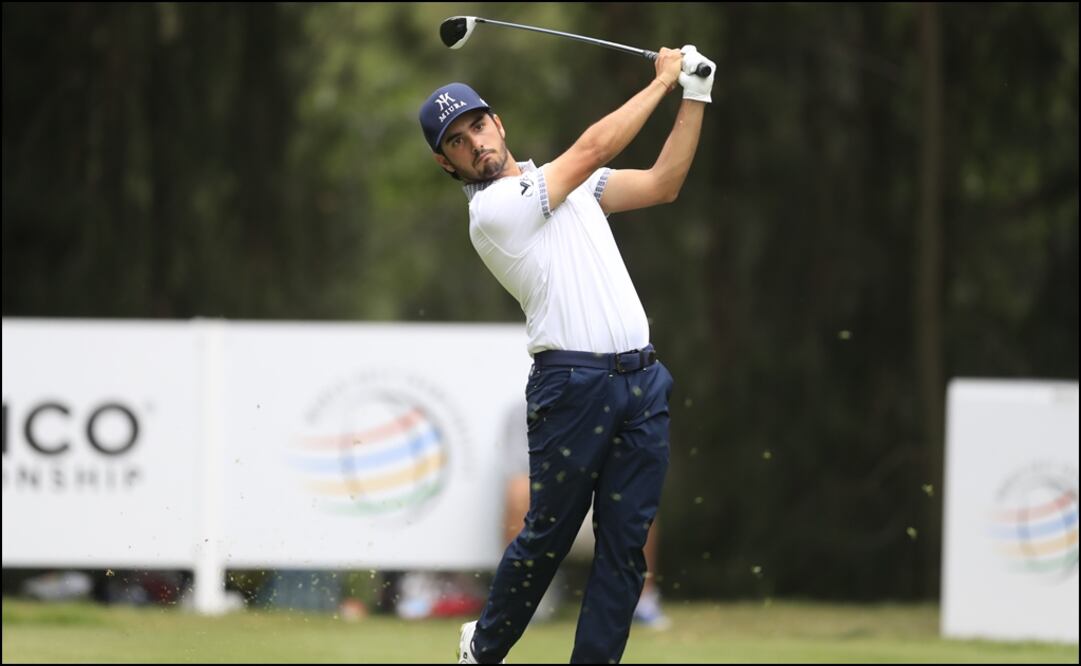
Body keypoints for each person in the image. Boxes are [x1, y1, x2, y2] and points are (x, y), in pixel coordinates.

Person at [418, 43, 714, 664]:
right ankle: (484, 649)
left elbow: (662, 184)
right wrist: (662, 82)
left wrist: (696, 94)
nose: (473, 143)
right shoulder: (494, 211)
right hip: (571, 386)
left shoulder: (565, 185)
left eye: (476, 126)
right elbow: (593, 150)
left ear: (496, 122)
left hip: (642, 381)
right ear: (449, 166)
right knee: (548, 536)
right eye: (456, 143)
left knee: (624, 550)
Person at [500, 402, 671, 629]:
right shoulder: (527, 406)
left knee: (638, 494)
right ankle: (523, 598)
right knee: (519, 492)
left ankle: (639, 599)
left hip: (601, 507)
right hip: (548, 509)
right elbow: (523, 475)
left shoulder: (624, 404)